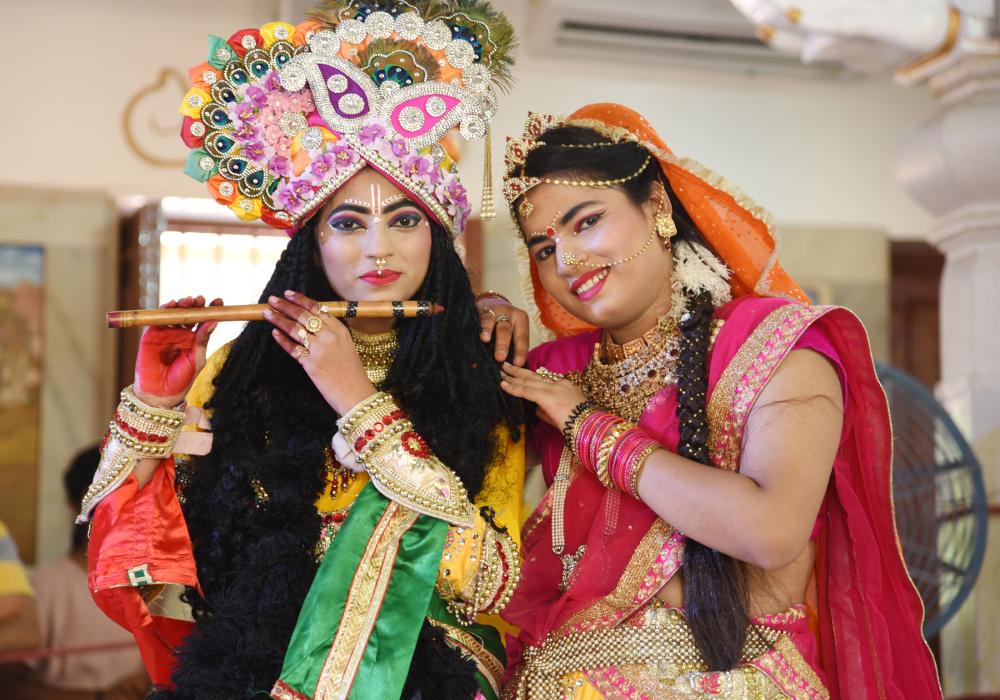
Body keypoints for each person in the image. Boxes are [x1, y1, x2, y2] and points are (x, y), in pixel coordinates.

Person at [78, 3, 530, 698]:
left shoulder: (481, 368)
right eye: (348, 223)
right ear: (310, 249)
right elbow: (154, 556)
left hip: (417, 665)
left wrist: (359, 402)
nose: (378, 247)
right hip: (251, 658)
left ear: (435, 239)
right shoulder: (242, 367)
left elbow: (491, 575)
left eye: (404, 219)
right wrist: (155, 403)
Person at [495, 105, 942, 699]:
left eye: (586, 223)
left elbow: (771, 530)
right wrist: (470, 327)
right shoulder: (552, 374)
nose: (567, 263)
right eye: (544, 250)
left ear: (656, 206)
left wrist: (588, 426)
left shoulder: (772, 345)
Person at [4, 447, 149, 700]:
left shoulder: (154, 582)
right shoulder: (43, 588)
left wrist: (146, 680)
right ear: (75, 505)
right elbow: (8, 687)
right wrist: (100, 697)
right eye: (103, 496)